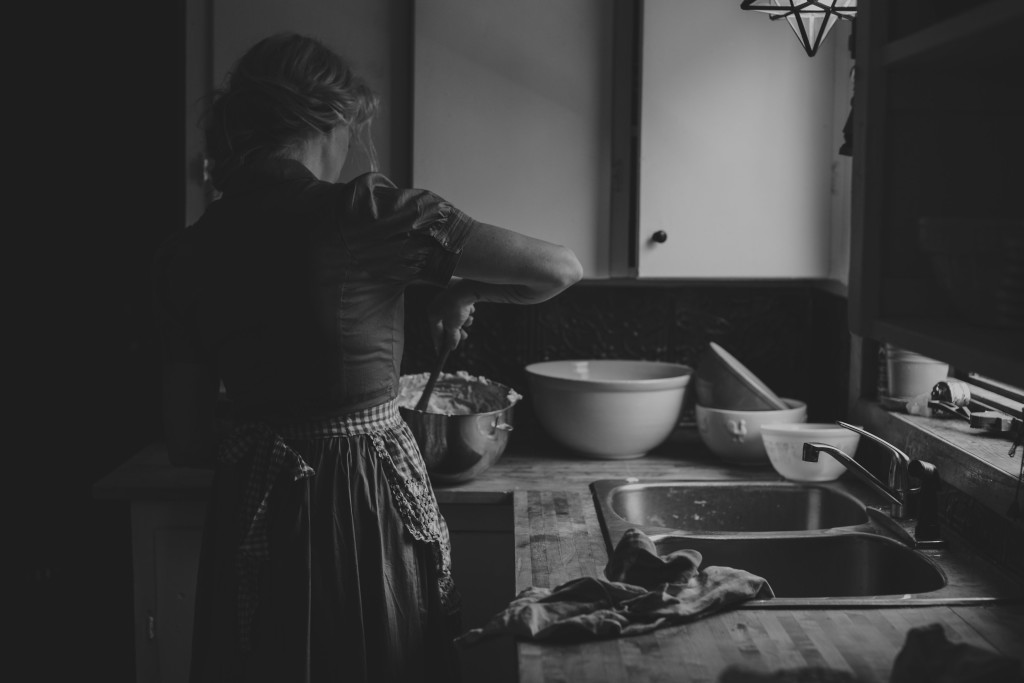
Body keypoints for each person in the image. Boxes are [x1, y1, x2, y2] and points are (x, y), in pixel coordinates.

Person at [154, 31, 582, 683]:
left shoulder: (184, 254)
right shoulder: (369, 210)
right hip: (361, 502)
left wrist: (275, 420)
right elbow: (558, 270)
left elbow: (186, 440)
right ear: (331, 117)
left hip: (251, 504)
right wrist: (460, 285)